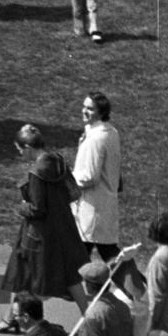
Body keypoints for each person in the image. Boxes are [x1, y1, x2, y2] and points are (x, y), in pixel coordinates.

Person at [0, 126, 89, 328]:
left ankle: (11, 318)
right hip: (64, 225)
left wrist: (22, 208)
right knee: (72, 275)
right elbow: (74, 193)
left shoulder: (36, 173)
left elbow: (38, 209)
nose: (20, 154)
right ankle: (89, 317)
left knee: (22, 272)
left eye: (21, 149)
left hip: (39, 233)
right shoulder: (57, 161)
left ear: (29, 147)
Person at [72, 92, 121, 260]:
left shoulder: (96, 139)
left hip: (91, 207)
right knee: (108, 253)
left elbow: (90, 176)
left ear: (101, 113)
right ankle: (138, 286)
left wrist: (67, 180)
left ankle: (138, 286)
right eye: (84, 107)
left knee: (81, 256)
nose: (84, 111)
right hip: (104, 205)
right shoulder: (111, 132)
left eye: (90, 109)